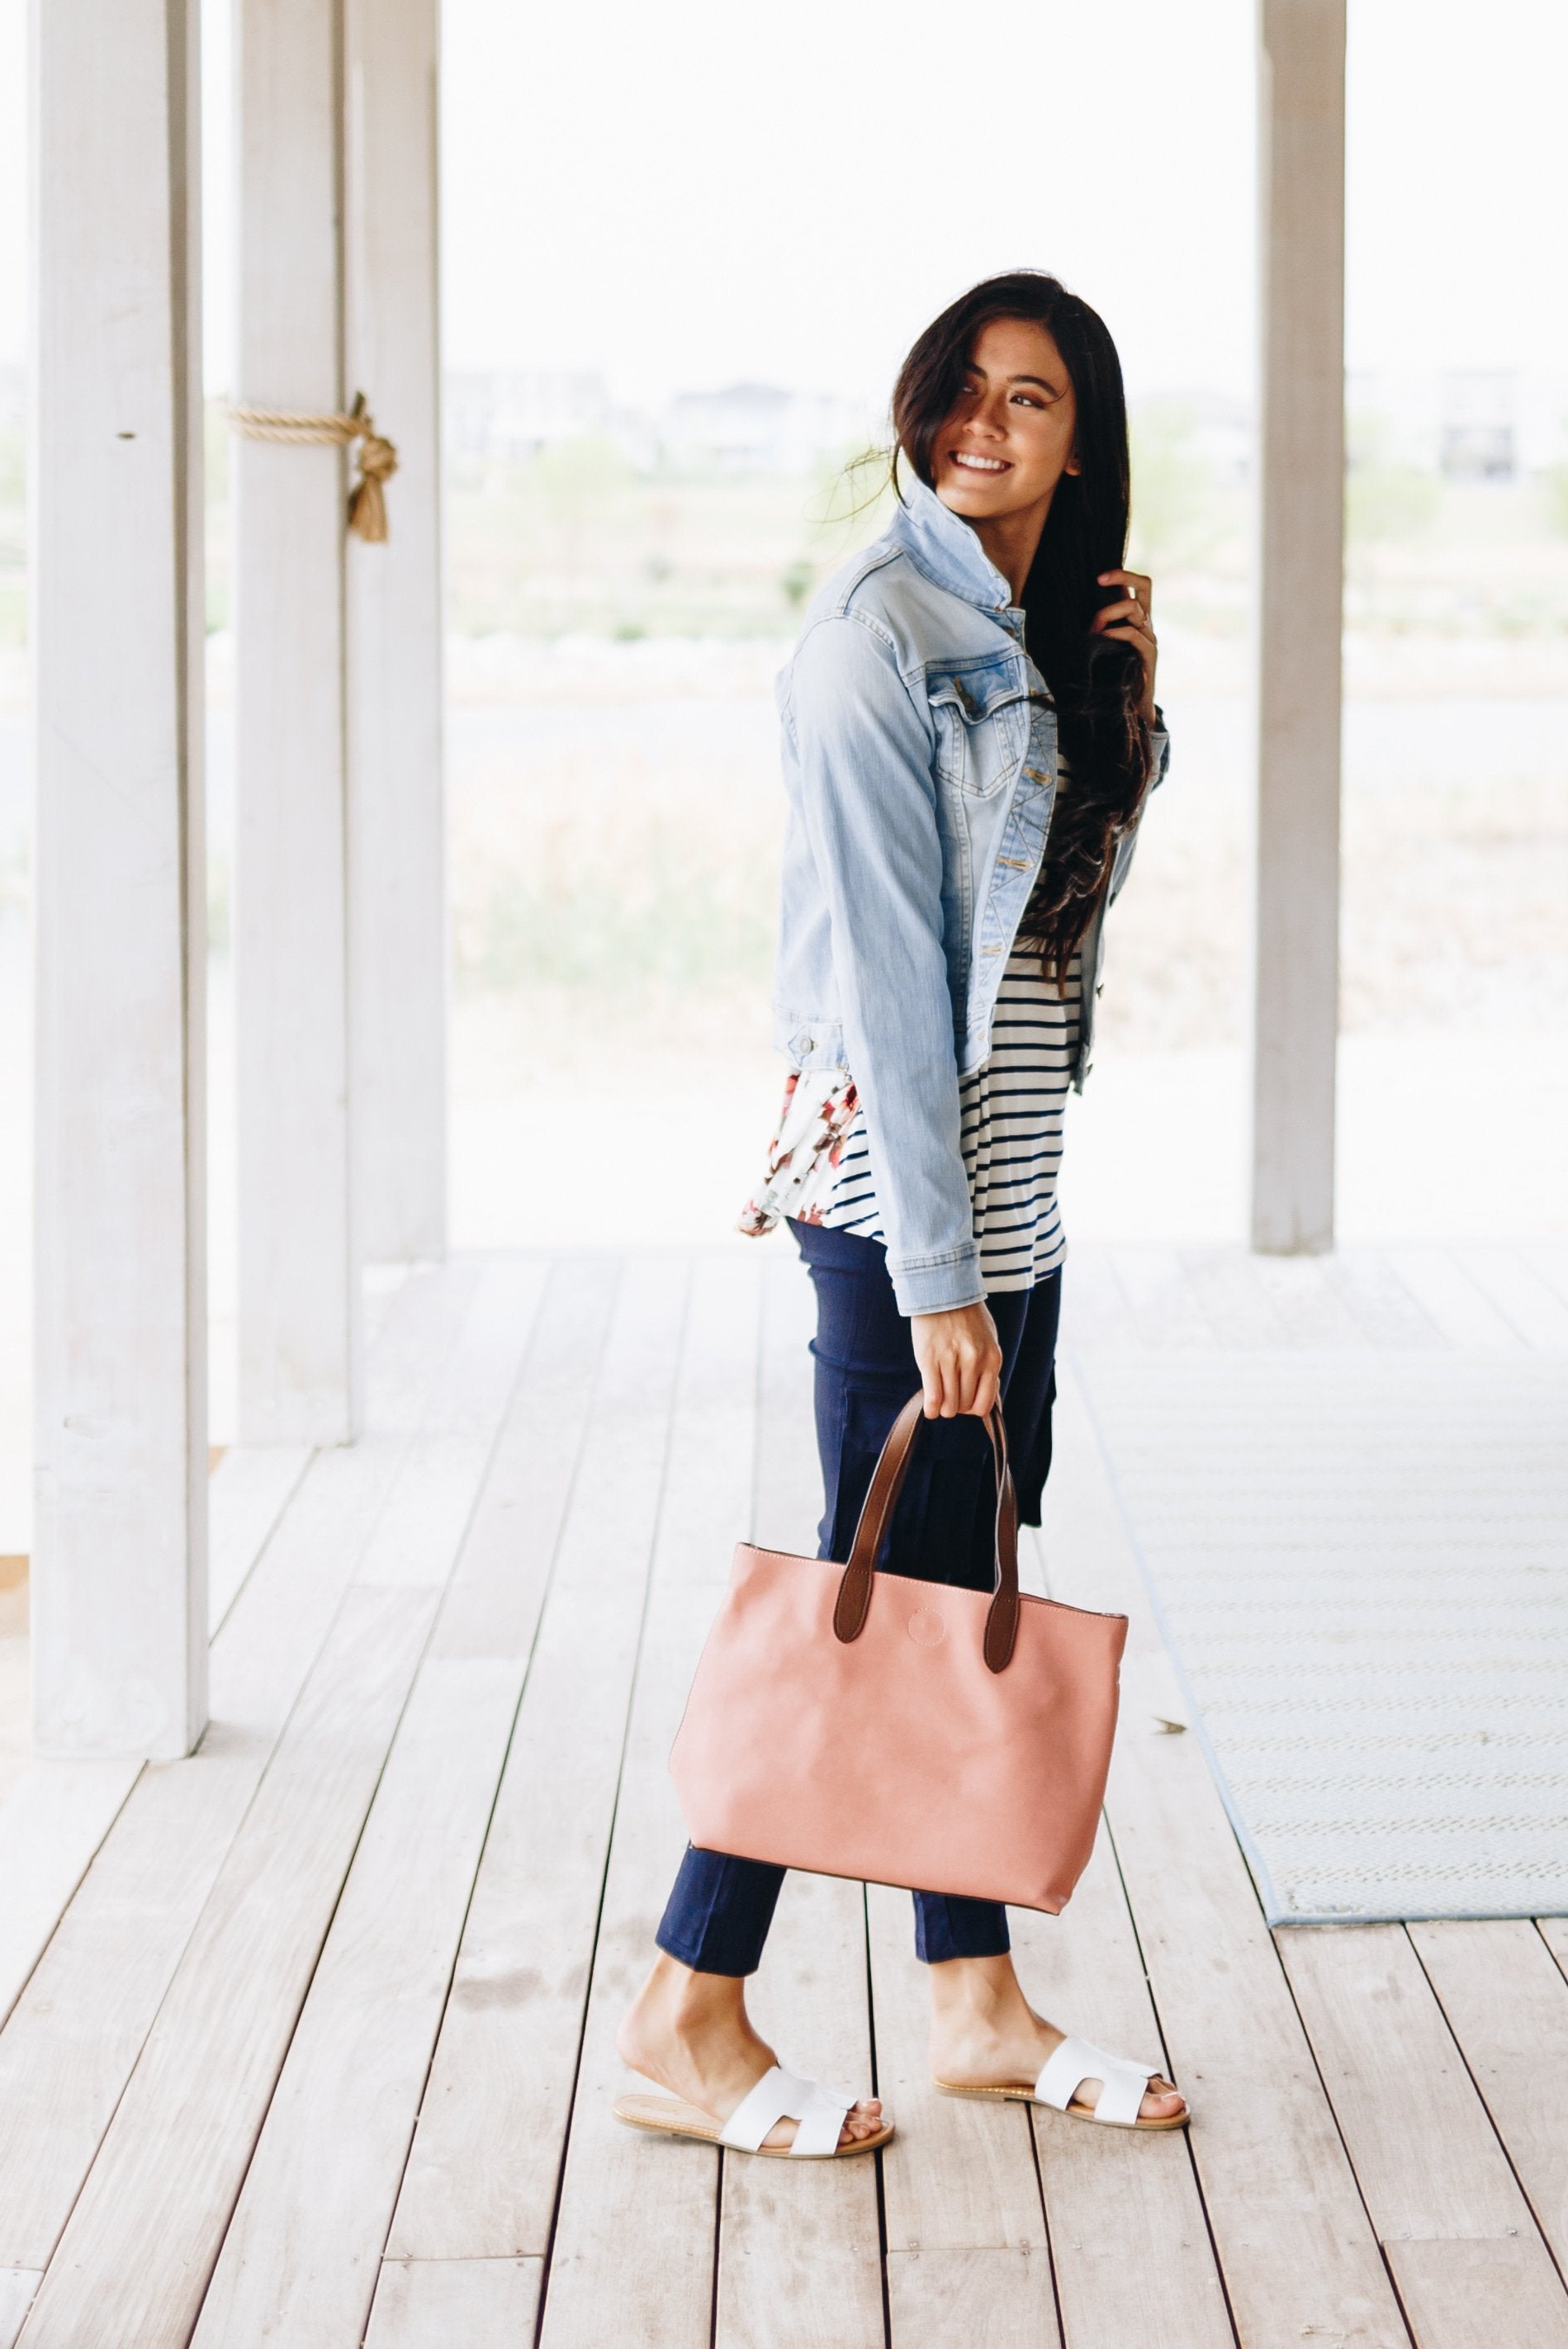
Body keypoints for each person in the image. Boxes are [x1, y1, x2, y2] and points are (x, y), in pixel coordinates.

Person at [612, 272, 1187, 2162]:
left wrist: (1132, 709)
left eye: (1028, 397)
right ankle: (690, 2006)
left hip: (1008, 1174)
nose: (981, 421)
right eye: (961, 387)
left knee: (944, 1567)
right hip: (895, 1191)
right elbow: (880, 965)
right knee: (866, 1600)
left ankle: (973, 2003)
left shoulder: (1031, 631)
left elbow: (1053, 915)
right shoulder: (874, 628)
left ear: (1078, 434)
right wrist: (937, 1273)